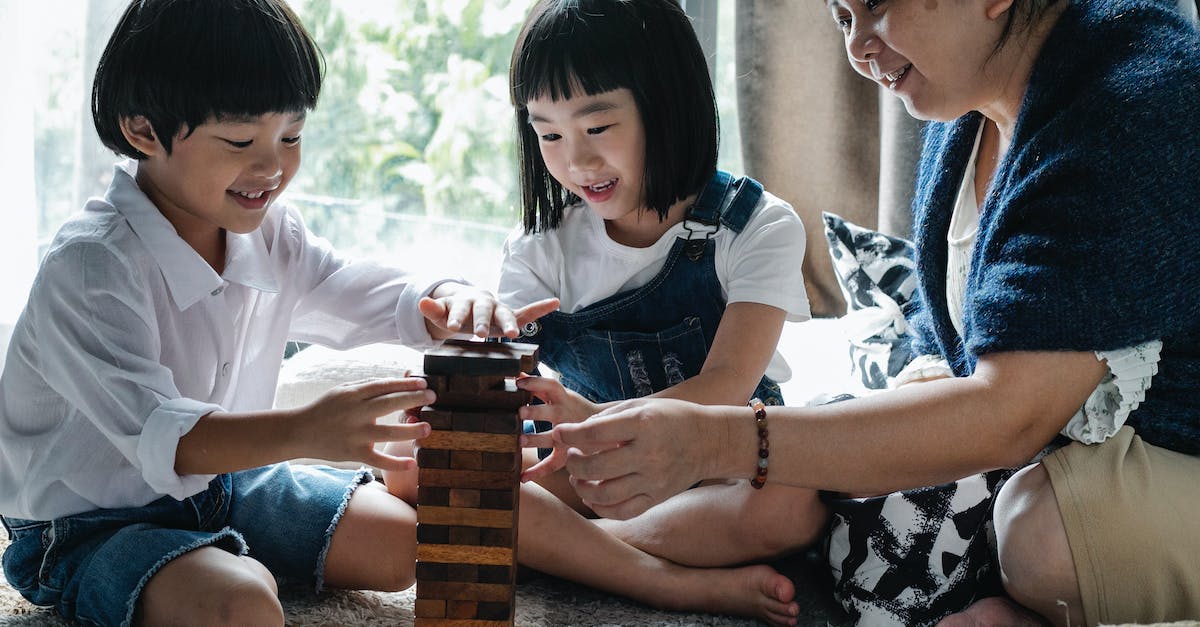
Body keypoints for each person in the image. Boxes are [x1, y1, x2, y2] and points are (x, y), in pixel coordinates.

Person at [526, 0, 1200, 625]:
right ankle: (596, 549)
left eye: (876, 6)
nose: (859, 46)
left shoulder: (1134, 102)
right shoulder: (965, 109)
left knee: (1039, 533)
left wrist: (716, 438)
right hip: (1050, 433)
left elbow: (1011, 411)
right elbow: (980, 364)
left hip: (1166, 446)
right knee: (828, 466)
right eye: (842, 14)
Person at [0, 1, 556, 625]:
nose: (272, 168)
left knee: (401, 546)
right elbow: (168, 436)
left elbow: (351, 287)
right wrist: (306, 428)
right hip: (86, 522)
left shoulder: (270, 233)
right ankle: (203, 564)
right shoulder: (91, 267)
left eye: (290, 136)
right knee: (243, 603)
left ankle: (224, 547)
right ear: (143, 130)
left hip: (225, 481)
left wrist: (450, 296)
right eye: (241, 141)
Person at [381, 1, 816, 625]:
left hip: (717, 455)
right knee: (418, 473)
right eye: (549, 134)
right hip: (587, 460)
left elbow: (726, 389)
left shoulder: (757, 225)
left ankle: (567, 552)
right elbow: (505, 378)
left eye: (598, 127)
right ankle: (660, 576)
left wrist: (597, 419)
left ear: (665, 105)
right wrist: (461, 376)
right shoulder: (541, 246)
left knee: (795, 504)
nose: (575, 162)